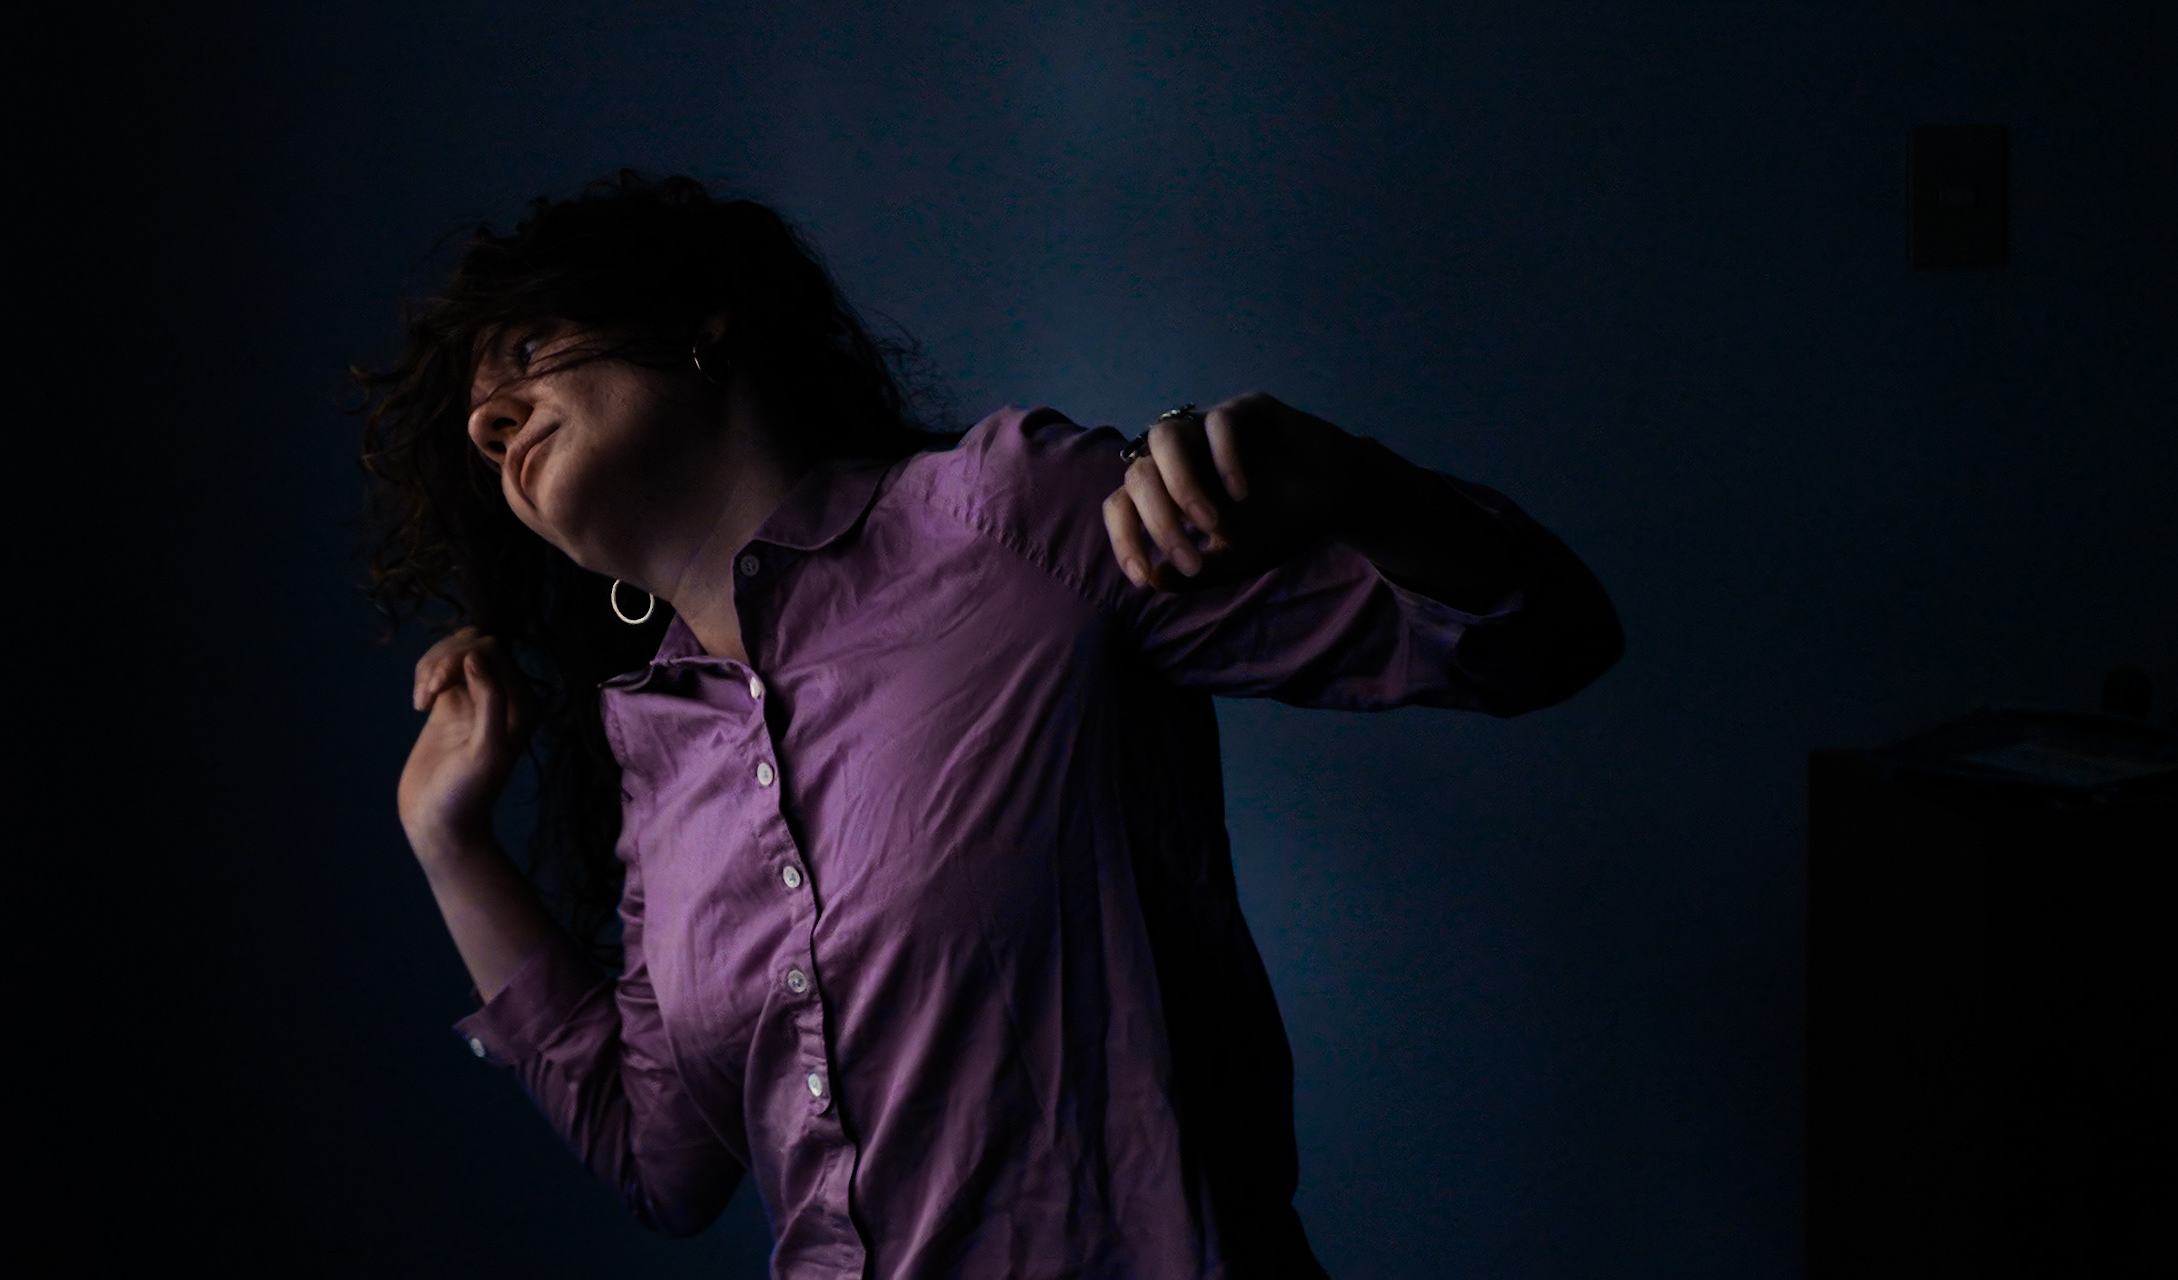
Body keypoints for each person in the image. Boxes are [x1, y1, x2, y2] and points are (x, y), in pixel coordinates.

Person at [364, 172, 1621, 1280]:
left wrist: (1348, 481)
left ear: (703, 320)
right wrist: (449, 845)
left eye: (530, 348)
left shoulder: (1013, 522)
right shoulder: (658, 757)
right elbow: (661, 1164)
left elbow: (1541, 636)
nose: (489, 421)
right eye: (476, 422)